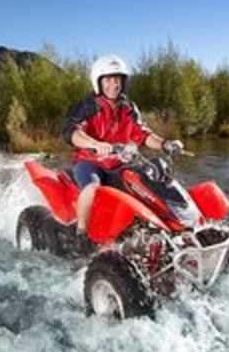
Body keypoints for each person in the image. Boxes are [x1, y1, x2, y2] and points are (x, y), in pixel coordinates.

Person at [62, 54, 183, 236]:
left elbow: (143, 134)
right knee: (92, 188)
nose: (114, 85)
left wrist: (165, 144)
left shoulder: (128, 108)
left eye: (118, 80)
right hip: (89, 162)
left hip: (119, 162)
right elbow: (72, 132)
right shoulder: (87, 106)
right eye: (108, 80)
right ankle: (81, 232)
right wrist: (94, 144)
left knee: (151, 176)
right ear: (99, 82)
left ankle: (165, 226)